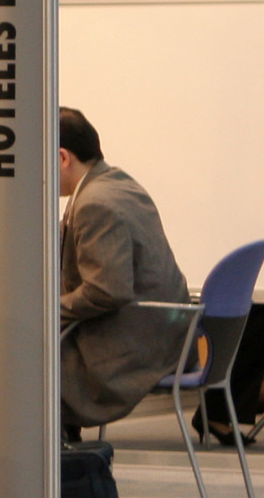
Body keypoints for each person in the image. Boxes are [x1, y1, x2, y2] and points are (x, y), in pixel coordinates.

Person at [59, 106, 190, 439]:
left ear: (61, 158)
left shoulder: (94, 203)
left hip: (132, 349)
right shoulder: (113, 182)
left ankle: (15, 464)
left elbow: (107, 290)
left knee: (15, 356)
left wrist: (46, 310)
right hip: (159, 334)